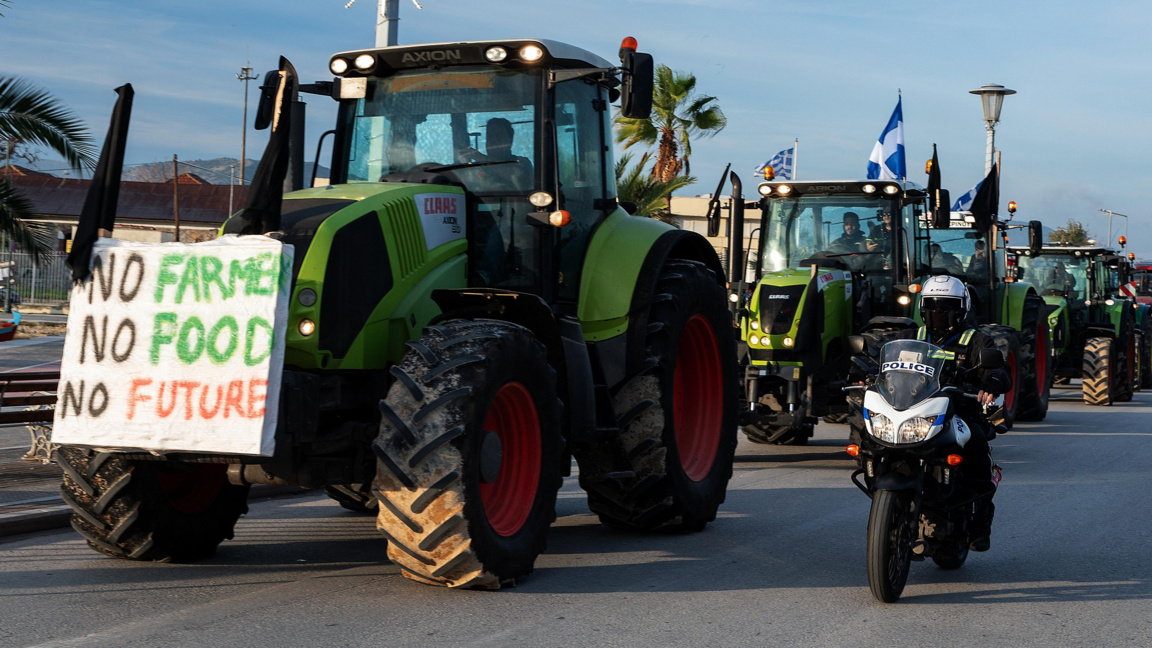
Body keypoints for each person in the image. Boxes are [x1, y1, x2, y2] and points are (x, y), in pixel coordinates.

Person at [898, 275, 1010, 552]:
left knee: (977, 450)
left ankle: (981, 521)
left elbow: (999, 369)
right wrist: (865, 372)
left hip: (959, 413)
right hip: (914, 413)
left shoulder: (976, 340)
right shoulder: (910, 337)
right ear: (922, 307)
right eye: (932, 305)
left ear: (962, 308)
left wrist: (992, 383)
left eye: (945, 305)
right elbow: (882, 361)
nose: (938, 312)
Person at [466, 117, 534, 191]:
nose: (493, 141)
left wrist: (483, 159)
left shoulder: (522, 163)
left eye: (499, 136)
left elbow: (514, 177)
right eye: (490, 136)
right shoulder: (476, 167)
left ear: (510, 140)